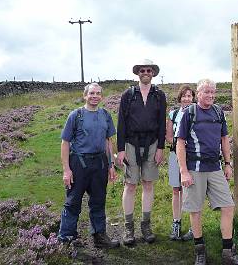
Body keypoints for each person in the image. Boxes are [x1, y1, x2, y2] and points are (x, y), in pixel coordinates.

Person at [176, 79, 238, 265]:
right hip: (195, 169)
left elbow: (225, 139)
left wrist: (227, 163)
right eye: (206, 92)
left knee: (228, 207)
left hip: (215, 168)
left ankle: (227, 253)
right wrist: (183, 171)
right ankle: (200, 251)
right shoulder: (188, 113)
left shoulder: (218, 112)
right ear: (198, 93)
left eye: (213, 92)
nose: (210, 95)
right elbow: (180, 144)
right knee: (195, 210)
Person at [58, 83, 120, 248]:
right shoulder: (75, 115)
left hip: (99, 163)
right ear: (85, 95)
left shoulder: (105, 115)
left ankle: (99, 237)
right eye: (91, 93)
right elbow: (65, 143)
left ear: (102, 96)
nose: (95, 96)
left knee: (98, 201)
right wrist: (66, 170)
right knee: (73, 202)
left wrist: (111, 165)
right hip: (79, 163)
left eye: (98, 93)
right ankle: (66, 239)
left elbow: (108, 141)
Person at [116, 59, 166, 245]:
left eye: (149, 70)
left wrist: (160, 147)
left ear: (153, 73)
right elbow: (121, 123)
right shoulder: (128, 95)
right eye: (143, 70)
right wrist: (120, 150)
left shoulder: (159, 96)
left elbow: (161, 123)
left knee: (148, 184)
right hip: (130, 143)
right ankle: (128, 227)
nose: (146, 72)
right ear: (138, 73)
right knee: (130, 185)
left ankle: (146, 224)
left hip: (152, 143)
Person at [165, 84, 195, 241]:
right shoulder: (173, 114)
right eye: (184, 96)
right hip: (174, 155)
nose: (186, 99)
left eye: (189, 96)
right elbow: (168, 136)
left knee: (190, 191)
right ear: (180, 98)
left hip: (191, 156)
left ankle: (193, 226)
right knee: (176, 190)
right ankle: (176, 223)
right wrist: (179, 145)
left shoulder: (197, 113)